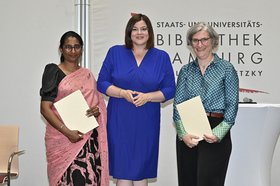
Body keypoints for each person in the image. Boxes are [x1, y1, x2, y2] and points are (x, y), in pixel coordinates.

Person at [97, 14, 176, 186]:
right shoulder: (115, 52)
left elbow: (170, 89)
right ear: (129, 32)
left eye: (143, 29)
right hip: (119, 119)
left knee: (141, 173)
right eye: (135, 29)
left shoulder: (161, 57)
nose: (139, 33)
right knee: (123, 172)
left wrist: (148, 97)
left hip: (146, 120)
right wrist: (121, 93)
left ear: (150, 32)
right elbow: (102, 83)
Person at [173, 22, 239, 186]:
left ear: (213, 42)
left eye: (204, 40)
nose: (199, 44)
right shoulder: (186, 70)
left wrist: (218, 133)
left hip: (216, 130)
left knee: (209, 181)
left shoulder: (226, 69)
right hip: (189, 132)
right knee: (187, 180)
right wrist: (183, 134)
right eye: (195, 40)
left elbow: (232, 104)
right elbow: (177, 105)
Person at [40, 31, 109, 186]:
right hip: (61, 137)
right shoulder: (53, 71)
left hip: (88, 140)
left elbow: (96, 103)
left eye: (76, 47)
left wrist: (96, 111)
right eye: (68, 47)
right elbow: (45, 108)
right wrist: (67, 132)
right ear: (61, 49)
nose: (73, 51)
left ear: (81, 49)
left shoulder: (87, 75)